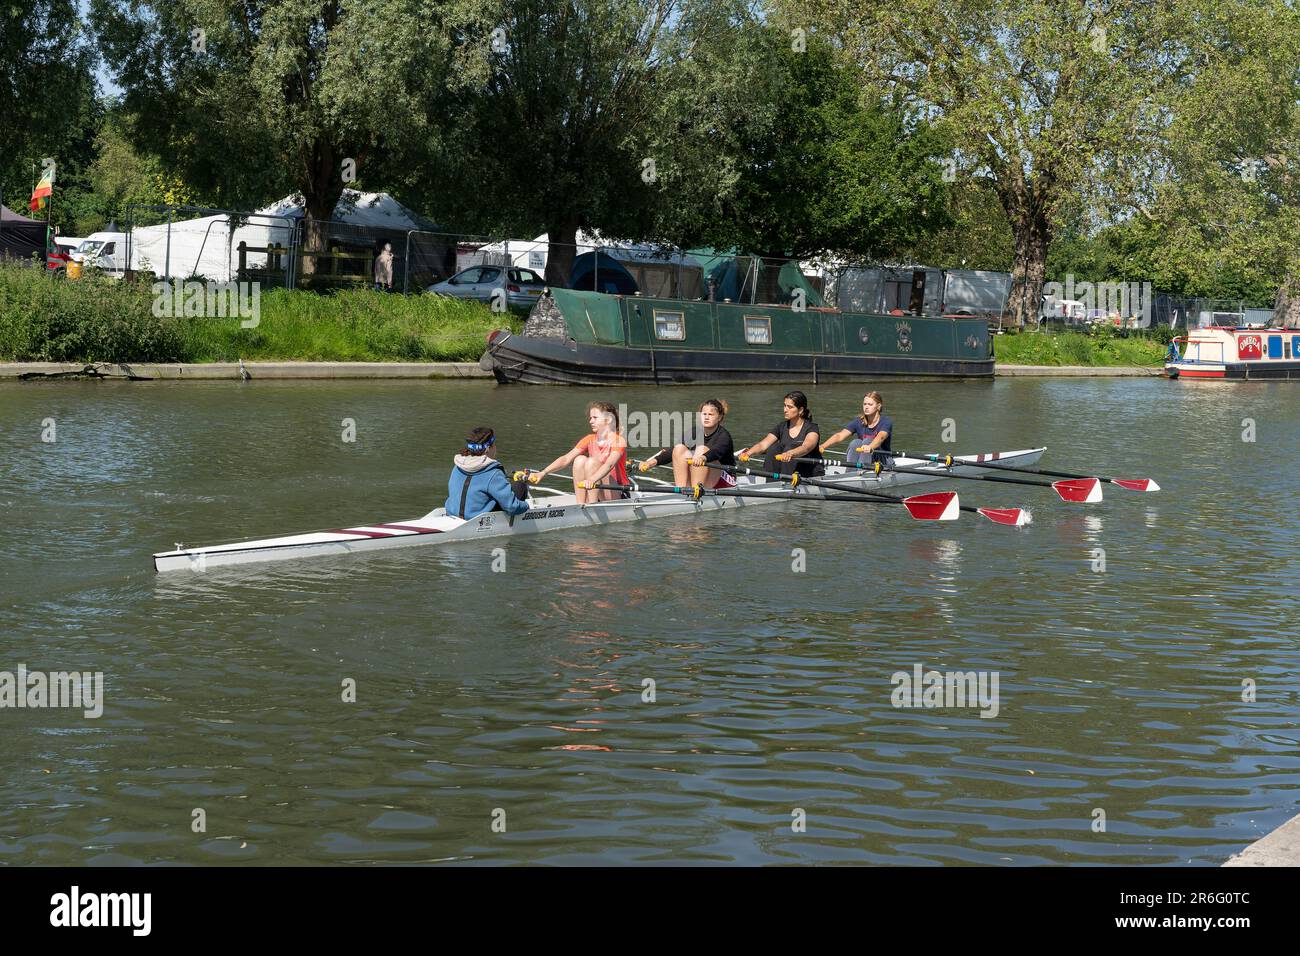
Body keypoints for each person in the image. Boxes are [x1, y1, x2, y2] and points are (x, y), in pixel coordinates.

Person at [530, 402, 629, 503]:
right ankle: (581, 504)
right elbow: (566, 459)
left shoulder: (619, 441)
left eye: (595, 418)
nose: (591, 421)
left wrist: (592, 479)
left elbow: (609, 464)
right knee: (579, 459)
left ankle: (592, 505)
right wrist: (543, 472)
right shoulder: (589, 439)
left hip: (618, 493)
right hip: (594, 488)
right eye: (590, 418)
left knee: (591, 462)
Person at [639, 398, 736, 489]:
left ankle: (696, 492)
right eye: (704, 414)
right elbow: (671, 452)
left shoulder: (724, 436)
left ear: (719, 417)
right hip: (704, 476)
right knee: (679, 448)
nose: (706, 417)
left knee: (702, 449)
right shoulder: (694, 432)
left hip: (725, 480)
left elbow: (716, 452)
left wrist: (703, 457)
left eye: (710, 415)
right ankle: (682, 489)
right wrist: (650, 463)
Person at [445, 427, 530, 519]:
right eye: (494, 445)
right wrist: (527, 506)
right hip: (479, 522)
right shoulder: (493, 473)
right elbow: (512, 507)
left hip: (452, 514)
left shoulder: (458, 466)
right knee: (520, 486)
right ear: (487, 449)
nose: (496, 447)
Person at [737, 391, 823, 478]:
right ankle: (771, 482)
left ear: (800, 410)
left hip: (810, 472)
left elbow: (806, 447)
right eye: (784, 405)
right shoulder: (781, 427)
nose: (785, 410)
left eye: (790, 407)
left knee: (790, 447)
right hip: (789, 471)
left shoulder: (812, 428)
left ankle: (785, 482)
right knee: (774, 448)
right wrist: (748, 453)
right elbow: (763, 445)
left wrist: (790, 453)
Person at [820, 391, 893, 466]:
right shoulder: (859, 421)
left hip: (884, 460)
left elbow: (881, 437)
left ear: (878, 406)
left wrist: (870, 447)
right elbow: (839, 436)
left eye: (870, 404)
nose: (866, 407)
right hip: (866, 457)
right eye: (865, 404)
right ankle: (851, 471)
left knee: (867, 441)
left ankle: (862, 470)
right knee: (855, 443)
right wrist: (823, 446)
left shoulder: (886, 421)